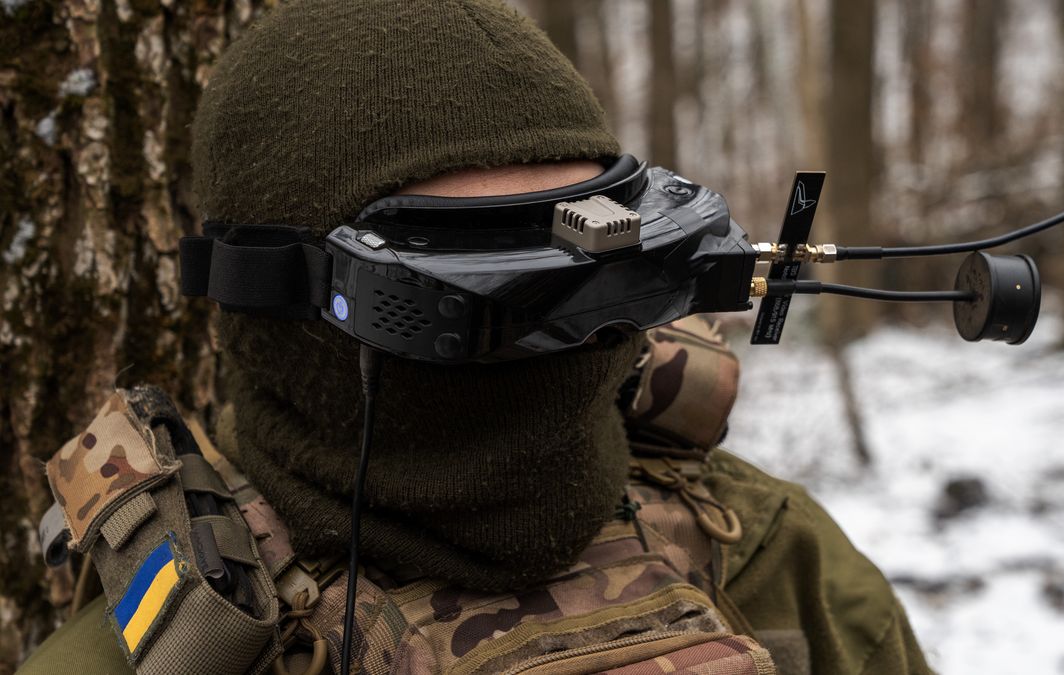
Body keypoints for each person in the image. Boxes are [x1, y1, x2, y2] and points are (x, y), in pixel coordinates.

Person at [20, 1, 931, 674]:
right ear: (295, 310)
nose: (563, 334)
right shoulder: (186, 645)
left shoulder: (779, 557)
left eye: (594, 261)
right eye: (485, 295)